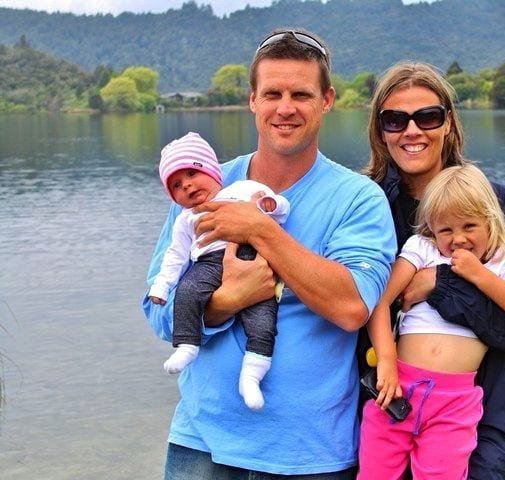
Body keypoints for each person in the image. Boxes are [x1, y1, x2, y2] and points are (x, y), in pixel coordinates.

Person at [142, 29, 396, 479]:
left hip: (308, 452)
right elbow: (159, 315)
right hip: (202, 442)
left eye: (301, 93)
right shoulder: (202, 186)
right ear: (253, 100)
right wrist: (224, 303)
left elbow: (353, 307)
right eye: (272, 93)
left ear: (327, 100)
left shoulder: (359, 199)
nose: (285, 107)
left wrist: (261, 229)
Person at [362, 61, 505, 479]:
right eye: (395, 119)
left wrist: (441, 283)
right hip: (387, 420)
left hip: (482, 439)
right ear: (380, 130)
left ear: (448, 123)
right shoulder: (366, 206)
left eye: (428, 116)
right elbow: (355, 311)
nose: (412, 131)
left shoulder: (495, 206)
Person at [357, 164, 505, 479]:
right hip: (397, 389)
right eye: (446, 230)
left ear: (490, 221)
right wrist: (387, 359)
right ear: (431, 227)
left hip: (454, 403)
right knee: (375, 472)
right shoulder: (422, 248)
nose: (457, 239)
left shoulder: (503, 260)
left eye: (469, 226)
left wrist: (479, 275)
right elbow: (379, 300)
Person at [148, 131, 290, 411]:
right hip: (207, 265)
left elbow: (279, 209)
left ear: (213, 171)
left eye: (192, 173)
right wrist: (161, 287)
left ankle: (252, 375)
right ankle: (187, 346)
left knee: (263, 322)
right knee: (188, 291)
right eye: (177, 185)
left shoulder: (243, 190)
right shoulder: (185, 219)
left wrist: (269, 204)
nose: (187, 186)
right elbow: (175, 257)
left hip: (251, 257)